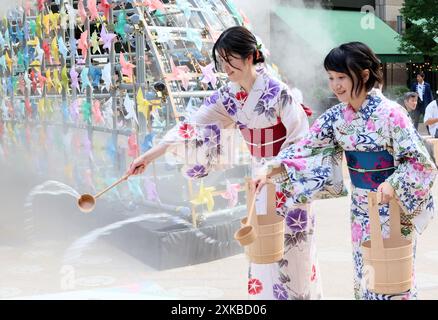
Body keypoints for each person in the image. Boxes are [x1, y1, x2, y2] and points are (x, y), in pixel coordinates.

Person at [126, 26, 322, 300]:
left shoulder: (279, 93)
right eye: (221, 60)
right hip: (258, 179)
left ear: (251, 56)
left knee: (293, 254)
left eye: (231, 59)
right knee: (261, 253)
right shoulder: (229, 96)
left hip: (286, 179)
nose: (225, 67)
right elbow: (192, 124)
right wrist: (150, 156)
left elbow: (302, 139)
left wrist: (274, 167)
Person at [255, 42, 437, 300]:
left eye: (342, 77)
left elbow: (420, 162)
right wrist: (271, 169)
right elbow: (307, 149)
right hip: (361, 207)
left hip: (394, 207)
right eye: (331, 77)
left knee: (395, 282)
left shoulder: (392, 114)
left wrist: (394, 184)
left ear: (364, 75)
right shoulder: (335, 117)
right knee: (366, 277)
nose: (335, 84)